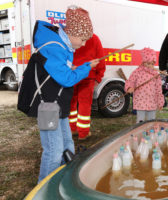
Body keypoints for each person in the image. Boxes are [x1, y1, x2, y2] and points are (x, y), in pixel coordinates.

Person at [17, 6, 99, 183]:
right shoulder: (55, 47)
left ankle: (60, 180)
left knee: (67, 145)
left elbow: (57, 72)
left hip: (57, 105)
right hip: (48, 107)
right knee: (54, 151)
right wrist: (86, 67)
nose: (83, 44)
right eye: (83, 39)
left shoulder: (61, 46)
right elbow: (67, 80)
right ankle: (44, 189)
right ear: (72, 33)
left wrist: (72, 68)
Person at [69, 34, 106, 140]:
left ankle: (72, 129)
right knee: (85, 104)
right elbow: (100, 59)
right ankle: (83, 133)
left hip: (72, 74)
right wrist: (98, 77)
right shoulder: (94, 38)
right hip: (88, 75)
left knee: (71, 104)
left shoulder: (69, 35)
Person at [125, 48, 164, 123]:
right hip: (140, 101)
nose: (150, 66)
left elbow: (159, 90)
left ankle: (150, 133)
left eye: (152, 64)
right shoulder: (137, 71)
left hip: (152, 101)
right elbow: (130, 81)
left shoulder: (156, 74)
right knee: (140, 121)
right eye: (148, 63)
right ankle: (139, 133)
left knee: (151, 122)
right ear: (143, 62)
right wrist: (129, 87)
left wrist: (160, 102)